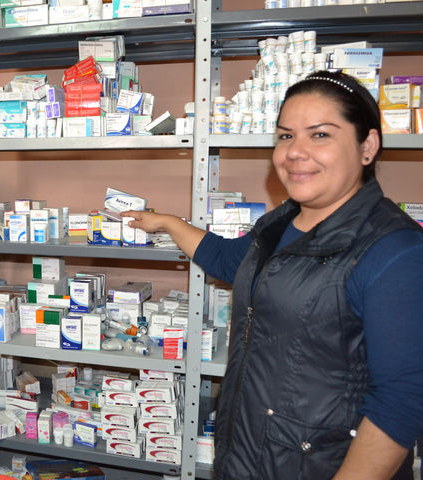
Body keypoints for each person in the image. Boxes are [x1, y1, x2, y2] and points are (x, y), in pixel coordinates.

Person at [122, 70, 423, 479]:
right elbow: (227, 260)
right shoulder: (281, 224)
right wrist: (168, 223)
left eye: (320, 135)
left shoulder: (394, 250)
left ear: (367, 146)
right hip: (249, 454)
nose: (295, 152)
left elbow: (402, 402)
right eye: (285, 136)